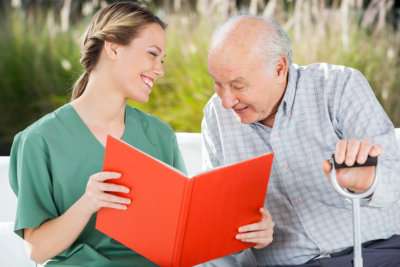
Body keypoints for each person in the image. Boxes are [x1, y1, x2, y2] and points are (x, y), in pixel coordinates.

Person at [201, 15, 400, 266]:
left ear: (279, 69)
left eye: (238, 85)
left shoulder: (339, 86)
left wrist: (370, 182)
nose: (227, 101)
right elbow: (216, 220)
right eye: (217, 84)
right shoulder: (215, 115)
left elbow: (395, 179)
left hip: (377, 252)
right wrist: (244, 234)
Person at [9, 2, 187, 266]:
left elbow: (182, 230)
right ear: (113, 47)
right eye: (152, 54)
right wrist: (88, 202)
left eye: (162, 60)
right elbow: (37, 250)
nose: (160, 70)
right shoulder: (39, 141)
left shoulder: (160, 137)